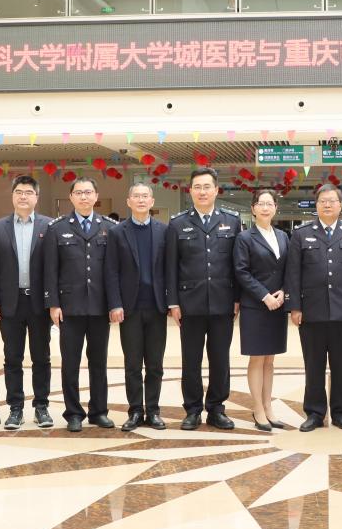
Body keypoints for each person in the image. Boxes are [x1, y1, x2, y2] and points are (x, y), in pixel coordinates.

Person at [284, 183, 342, 432]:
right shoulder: (301, 234)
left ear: (340, 205)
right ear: (317, 205)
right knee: (313, 366)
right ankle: (314, 413)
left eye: (332, 201)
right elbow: (293, 273)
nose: (328, 205)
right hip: (312, 311)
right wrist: (295, 307)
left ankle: (341, 413)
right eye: (323, 201)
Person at [165, 168, 242, 430]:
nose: (202, 191)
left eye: (207, 186)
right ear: (190, 191)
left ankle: (217, 409)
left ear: (216, 190)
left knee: (220, 360)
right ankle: (193, 409)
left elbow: (237, 264)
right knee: (191, 360)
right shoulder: (177, 224)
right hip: (190, 304)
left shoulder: (232, 221)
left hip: (223, 302)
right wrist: (173, 302)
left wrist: (237, 298)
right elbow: (171, 266)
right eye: (197, 187)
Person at [44, 177, 116, 432]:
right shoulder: (57, 228)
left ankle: (99, 411)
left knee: (99, 362)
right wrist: (53, 303)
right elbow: (50, 270)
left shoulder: (109, 227)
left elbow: (113, 271)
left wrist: (114, 304)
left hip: (99, 307)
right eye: (79, 193)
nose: (84, 197)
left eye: (88, 192)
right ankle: (73, 413)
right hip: (69, 307)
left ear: (96, 196)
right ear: (71, 197)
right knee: (70, 363)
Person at [0, 175, 54, 430]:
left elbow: (53, 269)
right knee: (12, 358)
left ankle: (41, 407)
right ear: (13, 196)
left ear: (37, 197)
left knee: (41, 357)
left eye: (28, 192)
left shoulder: (49, 226)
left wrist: (53, 302)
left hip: (38, 304)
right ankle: (15, 409)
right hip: (9, 304)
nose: (23, 196)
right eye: (19, 192)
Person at [106, 183, 169, 432]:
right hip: (129, 308)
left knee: (155, 364)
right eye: (136, 196)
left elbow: (169, 269)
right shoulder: (117, 232)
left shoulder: (164, 231)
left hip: (156, 307)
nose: (141, 200)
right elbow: (111, 271)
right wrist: (115, 303)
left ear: (152, 202)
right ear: (129, 201)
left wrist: (172, 301)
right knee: (132, 364)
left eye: (145, 196)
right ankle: (134, 411)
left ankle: (153, 411)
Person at [234, 189, 289, 431]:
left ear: (276, 208)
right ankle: (257, 408)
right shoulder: (244, 238)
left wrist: (284, 291)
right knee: (257, 358)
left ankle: (268, 406)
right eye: (261, 203)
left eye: (270, 204)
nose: (265, 208)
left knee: (270, 360)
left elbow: (289, 269)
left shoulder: (283, 236)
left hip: (278, 305)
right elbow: (241, 271)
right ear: (253, 208)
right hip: (255, 305)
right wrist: (264, 296)